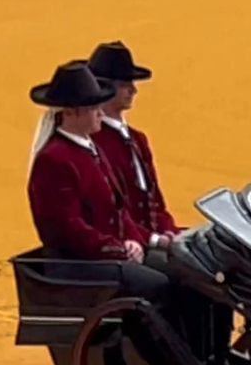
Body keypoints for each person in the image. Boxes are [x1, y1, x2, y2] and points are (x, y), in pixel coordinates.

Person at [26, 60, 167, 301]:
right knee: (160, 285)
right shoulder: (54, 159)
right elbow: (68, 229)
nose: (101, 113)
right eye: (93, 108)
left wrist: (132, 240)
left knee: (184, 273)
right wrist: (117, 249)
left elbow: (118, 209)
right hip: (77, 265)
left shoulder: (91, 150)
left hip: (102, 258)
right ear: (71, 113)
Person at [87, 41, 181, 248]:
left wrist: (169, 230)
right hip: (128, 245)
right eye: (124, 84)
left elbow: (156, 200)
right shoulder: (94, 142)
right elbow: (110, 211)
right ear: (104, 88)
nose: (133, 90)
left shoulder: (138, 139)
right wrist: (153, 240)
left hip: (153, 240)